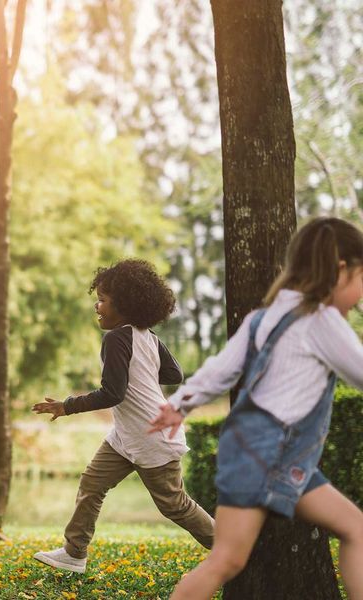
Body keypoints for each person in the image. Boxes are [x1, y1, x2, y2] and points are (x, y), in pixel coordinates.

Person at [149, 217, 363, 600]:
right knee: (227, 560)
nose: (361, 293)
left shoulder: (265, 318)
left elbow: (221, 368)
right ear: (341, 269)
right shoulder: (321, 320)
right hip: (272, 453)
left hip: (262, 451)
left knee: (355, 529)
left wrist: (180, 403)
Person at [32, 259, 214, 574]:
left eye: (103, 300)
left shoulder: (117, 338)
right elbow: (174, 373)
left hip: (152, 435)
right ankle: (74, 553)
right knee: (92, 483)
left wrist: (67, 405)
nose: (97, 306)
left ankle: (233, 549)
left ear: (125, 304)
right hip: (127, 436)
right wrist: (143, 372)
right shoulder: (148, 337)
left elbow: (112, 393)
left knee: (174, 505)